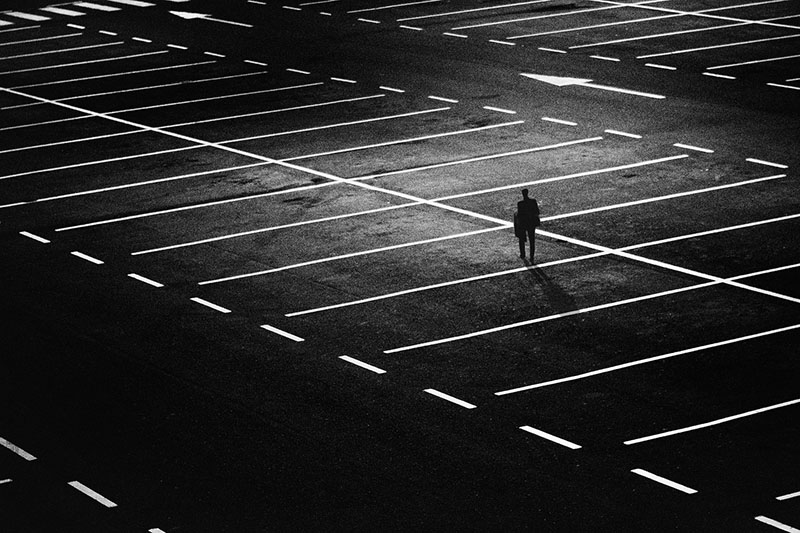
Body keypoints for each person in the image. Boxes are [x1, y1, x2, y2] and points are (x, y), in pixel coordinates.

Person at [515, 188, 540, 261]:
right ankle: (532, 256)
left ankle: (522, 254)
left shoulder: (520, 203)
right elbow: (537, 212)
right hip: (531, 223)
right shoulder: (533, 201)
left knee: (521, 239)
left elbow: (519, 214)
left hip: (523, 223)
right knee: (532, 240)